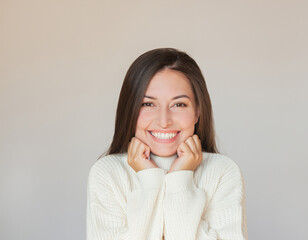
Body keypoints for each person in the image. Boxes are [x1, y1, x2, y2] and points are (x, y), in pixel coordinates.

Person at [86, 48, 248, 240]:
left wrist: (181, 180)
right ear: (129, 109)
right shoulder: (107, 173)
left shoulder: (222, 171)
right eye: (148, 104)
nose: (164, 121)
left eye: (178, 104)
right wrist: (150, 181)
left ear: (197, 111)